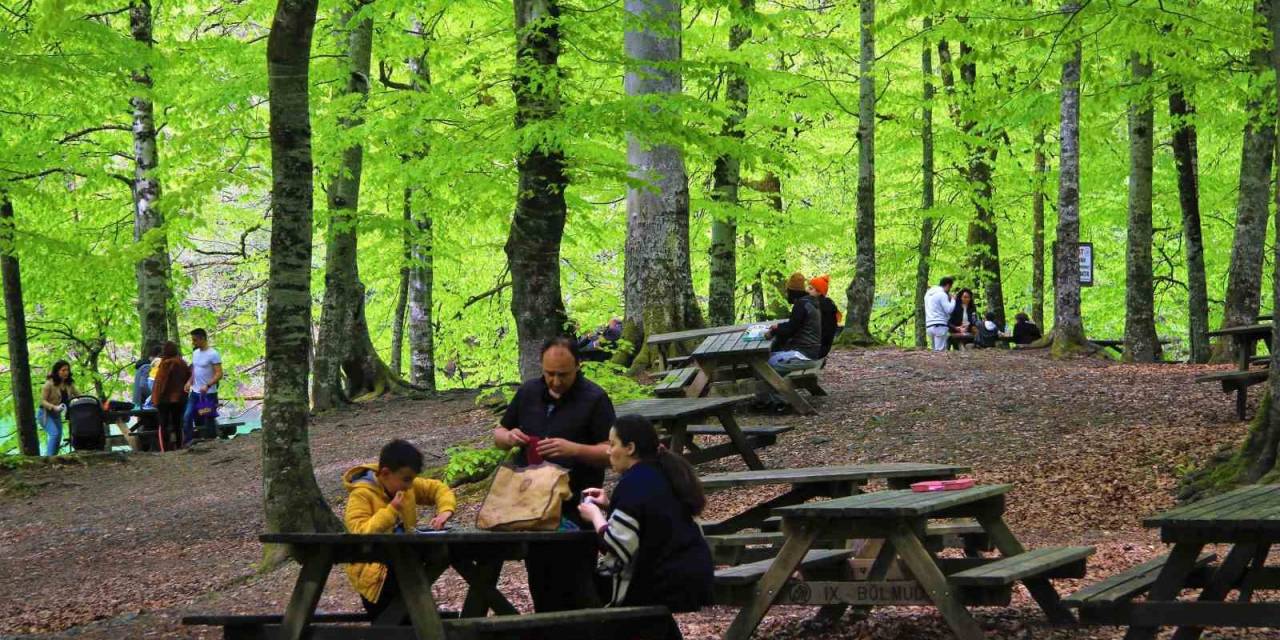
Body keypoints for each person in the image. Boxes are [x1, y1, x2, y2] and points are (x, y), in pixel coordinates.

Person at [493, 336, 614, 612]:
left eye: (563, 374)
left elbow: (611, 453)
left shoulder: (595, 399)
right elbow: (498, 433)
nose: (556, 381)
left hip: (577, 509)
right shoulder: (527, 393)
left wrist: (575, 449)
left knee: (577, 587)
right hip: (533, 508)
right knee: (541, 583)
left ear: (578, 366)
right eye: (549, 374)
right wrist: (509, 437)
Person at [578, 415, 712, 639]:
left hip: (664, 581)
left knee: (585, 586)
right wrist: (610, 505)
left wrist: (595, 516)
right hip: (692, 573)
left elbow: (618, 547)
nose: (609, 451)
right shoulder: (661, 473)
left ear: (630, 448)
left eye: (613, 444)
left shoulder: (632, 483)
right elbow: (652, 519)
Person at [343, 439, 456, 620]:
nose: (410, 485)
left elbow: (437, 488)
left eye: (411, 479)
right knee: (394, 623)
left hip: (407, 568)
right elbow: (359, 533)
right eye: (406, 479)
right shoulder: (361, 494)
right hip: (377, 578)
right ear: (386, 473)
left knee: (419, 616)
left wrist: (445, 511)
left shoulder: (405, 486)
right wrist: (391, 511)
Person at [182, 328, 223, 446]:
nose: (193, 342)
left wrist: (208, 385)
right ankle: (188, 442)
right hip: (195, 392)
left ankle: (210, 443)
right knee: (187, 416)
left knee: (208, 418)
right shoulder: (195, 353)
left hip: (208, 393)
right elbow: (195, 370)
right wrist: (189, 381)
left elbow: (219, 373)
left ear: (202, 339)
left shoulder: (213, 354)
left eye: (195, 340)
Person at [151, 341, 191, 452]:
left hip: (164, 400)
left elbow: (160, 383)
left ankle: (166, 448)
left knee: (164, 424)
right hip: (179, 399)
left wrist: (156, 398)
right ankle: (179, 446)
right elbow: (188, 377)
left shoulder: (165, 364)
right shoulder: (182, 363)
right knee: (177, 423)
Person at [38, 361, 78, 457]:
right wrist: (54, 407)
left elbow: (79, 395)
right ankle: (49, 460)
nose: (66, 372)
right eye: (63, 370)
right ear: (57, 371)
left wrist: (89, 401)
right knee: (55, 434)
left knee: (58, 437)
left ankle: (54, 459)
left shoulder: (69, 385)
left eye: (67, 370)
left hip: (56, 415)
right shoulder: (49, 384)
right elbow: (42, 401)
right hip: (44, 414)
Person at [808, 274, 842, 359]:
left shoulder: (818, 306)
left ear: (819, 292)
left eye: (811, 289)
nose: (807, 290)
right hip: (823, 348)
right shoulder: (828, 304)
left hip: (816, 349)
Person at [923, 277, 956, 352]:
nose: (949, 290)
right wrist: (953, 300)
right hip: (940, 325)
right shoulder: (942, 294)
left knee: (934, 351)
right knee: (940, 353)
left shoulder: (927, 295)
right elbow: (949, 310)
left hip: (929, 325)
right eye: (950, 287)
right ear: (947, 285)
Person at [132, 345, 161, 410]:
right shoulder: (147, 367)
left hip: (139, 403)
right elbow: (143, 385)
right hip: (143, 403)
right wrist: (153, 397)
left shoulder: (142, 366)